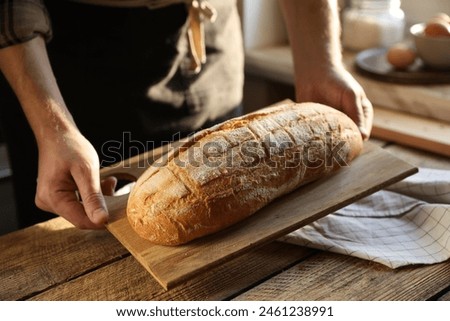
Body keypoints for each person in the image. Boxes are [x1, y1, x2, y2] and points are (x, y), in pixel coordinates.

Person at [0, 0, 373, 230]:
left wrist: (319, 61)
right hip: (68, 60)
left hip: (210, 34)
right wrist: (53, 125)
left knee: (237, 185)